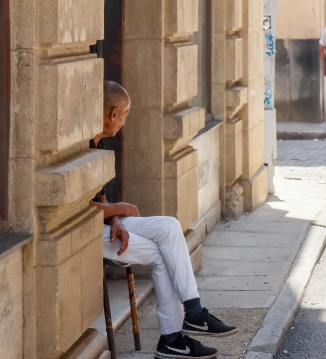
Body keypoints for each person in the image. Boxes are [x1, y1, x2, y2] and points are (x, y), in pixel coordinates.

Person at [90, 81, 238, 359]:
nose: (124, 122)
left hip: (106, 228)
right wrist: (118, 210)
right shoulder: (81, 146)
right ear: (112, 114)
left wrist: (116, 218)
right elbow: (75, 211)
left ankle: (193, 311)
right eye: (124, 115)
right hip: (85, 237)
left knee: (169, 226)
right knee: (163, 255)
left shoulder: (97, 144)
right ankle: (172, 337)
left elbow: (101, 202)